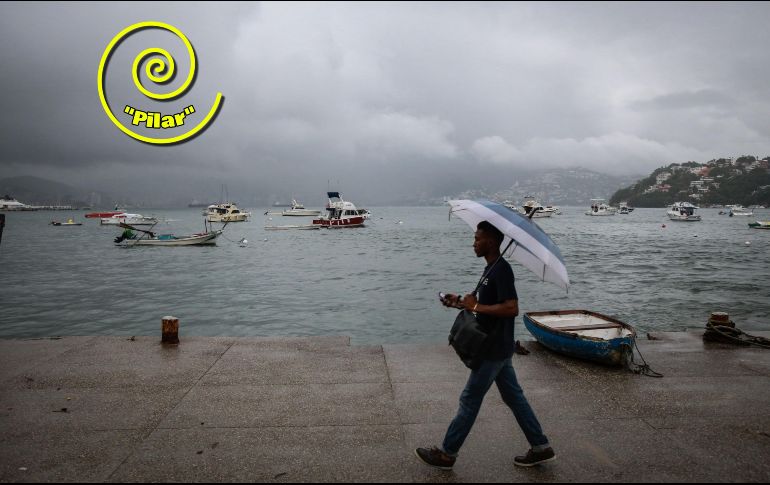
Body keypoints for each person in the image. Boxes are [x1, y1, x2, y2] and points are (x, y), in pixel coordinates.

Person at [415, 221, 554, 470]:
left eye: (478, 239)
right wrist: (458, 301)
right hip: (499, 347)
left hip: (492, 348)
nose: (474, 243)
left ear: (490, 241)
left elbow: (512, 307)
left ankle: (447, 454)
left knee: (469, 399)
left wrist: (476, 307)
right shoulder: (490, 270)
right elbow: (481, 307)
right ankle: (541, 447)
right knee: (514, 397)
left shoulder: (502, 270)